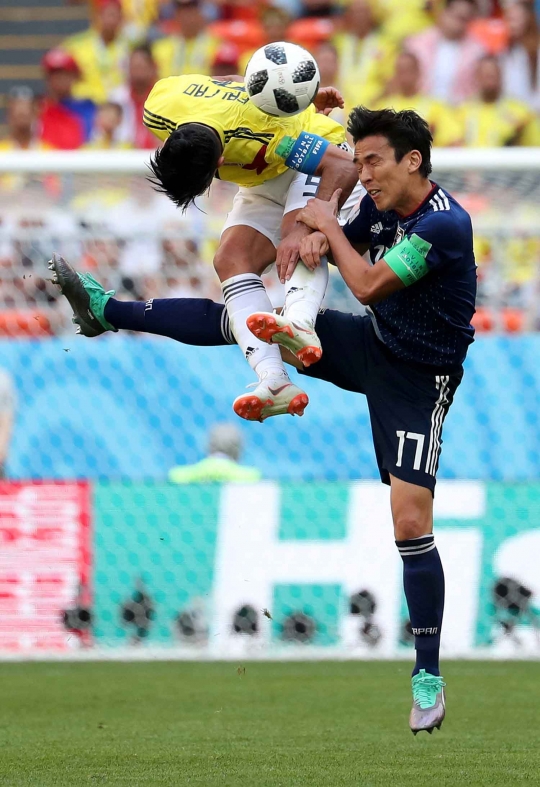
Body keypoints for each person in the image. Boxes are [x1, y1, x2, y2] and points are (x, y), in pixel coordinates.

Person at [49, 106, 477, 734]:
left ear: (413, 161)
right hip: (370, 345)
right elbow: (331, 235)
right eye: (357, 161)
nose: (364, 174)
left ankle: (427, 673)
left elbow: (367, 283)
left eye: (373, 162)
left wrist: (325, 225)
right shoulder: (375, 204)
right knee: (251, 318)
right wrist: (311, 231)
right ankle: (108, 310)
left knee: (410, 519)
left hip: (418, 382)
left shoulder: (446, 224)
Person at [140, 72, 361, 422]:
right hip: (267, 172)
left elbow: (342, 165)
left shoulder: (268, 135)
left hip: (325, 158)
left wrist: (303, 226)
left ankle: (300, 322)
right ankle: (274, 382)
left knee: (296, 234)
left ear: (220, 164)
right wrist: (288, 98)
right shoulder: (159, 105)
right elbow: (225, 84)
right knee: (230, 259)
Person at [405, 0, 486, 104]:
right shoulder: (417, 44)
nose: (460, 24)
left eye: (466, 20)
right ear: (444, 12)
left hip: (459, 112)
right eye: (458, 17)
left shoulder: (477, 51)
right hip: (420, 108)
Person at [377, 50, 462, 147]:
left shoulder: (435, 107)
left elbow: (454, 140)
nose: (404, 76)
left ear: (418, 72)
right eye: (400, 71)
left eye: (408, 70)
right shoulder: (382, 108)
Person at [459, 55, 540, 146]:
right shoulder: (462, 111)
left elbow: (535, 146)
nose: (489, 78)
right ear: (476, 77)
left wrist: (521, 132)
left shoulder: (520, 112)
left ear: (501, 76)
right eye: (485, 74)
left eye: (493, 74)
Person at [62, 0, 130, 104]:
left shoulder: (130, 47)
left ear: (122, 19)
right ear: (97, 16)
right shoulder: (76, 45)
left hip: (121, 106)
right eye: (107, 15)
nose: (111, 20)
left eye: (115, 15)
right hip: (87, 105)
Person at [39, 49, 96, 149]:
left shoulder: (89, 110)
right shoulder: (38, 110)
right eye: (54, 74)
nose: (59, 78)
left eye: (65, 73)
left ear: (75, 76)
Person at [169, 422, 262, 483]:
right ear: (238, 449)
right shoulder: (250, 477)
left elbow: (174, 475)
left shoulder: (181, 475)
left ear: (209, 445)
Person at [151, 0, 220, 79]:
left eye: (192, 11)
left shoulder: (217, 47)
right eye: (183, 12)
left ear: (200, 15)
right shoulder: (160, 47)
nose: (188, 17)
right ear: (176, 16)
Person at [108, 45, 159, 149]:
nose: (138, 72)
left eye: (142, 67)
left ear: (152, 68)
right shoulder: (116, 97)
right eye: (134, 67)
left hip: (157, 154)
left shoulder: (164, 97)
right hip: (123, 156)